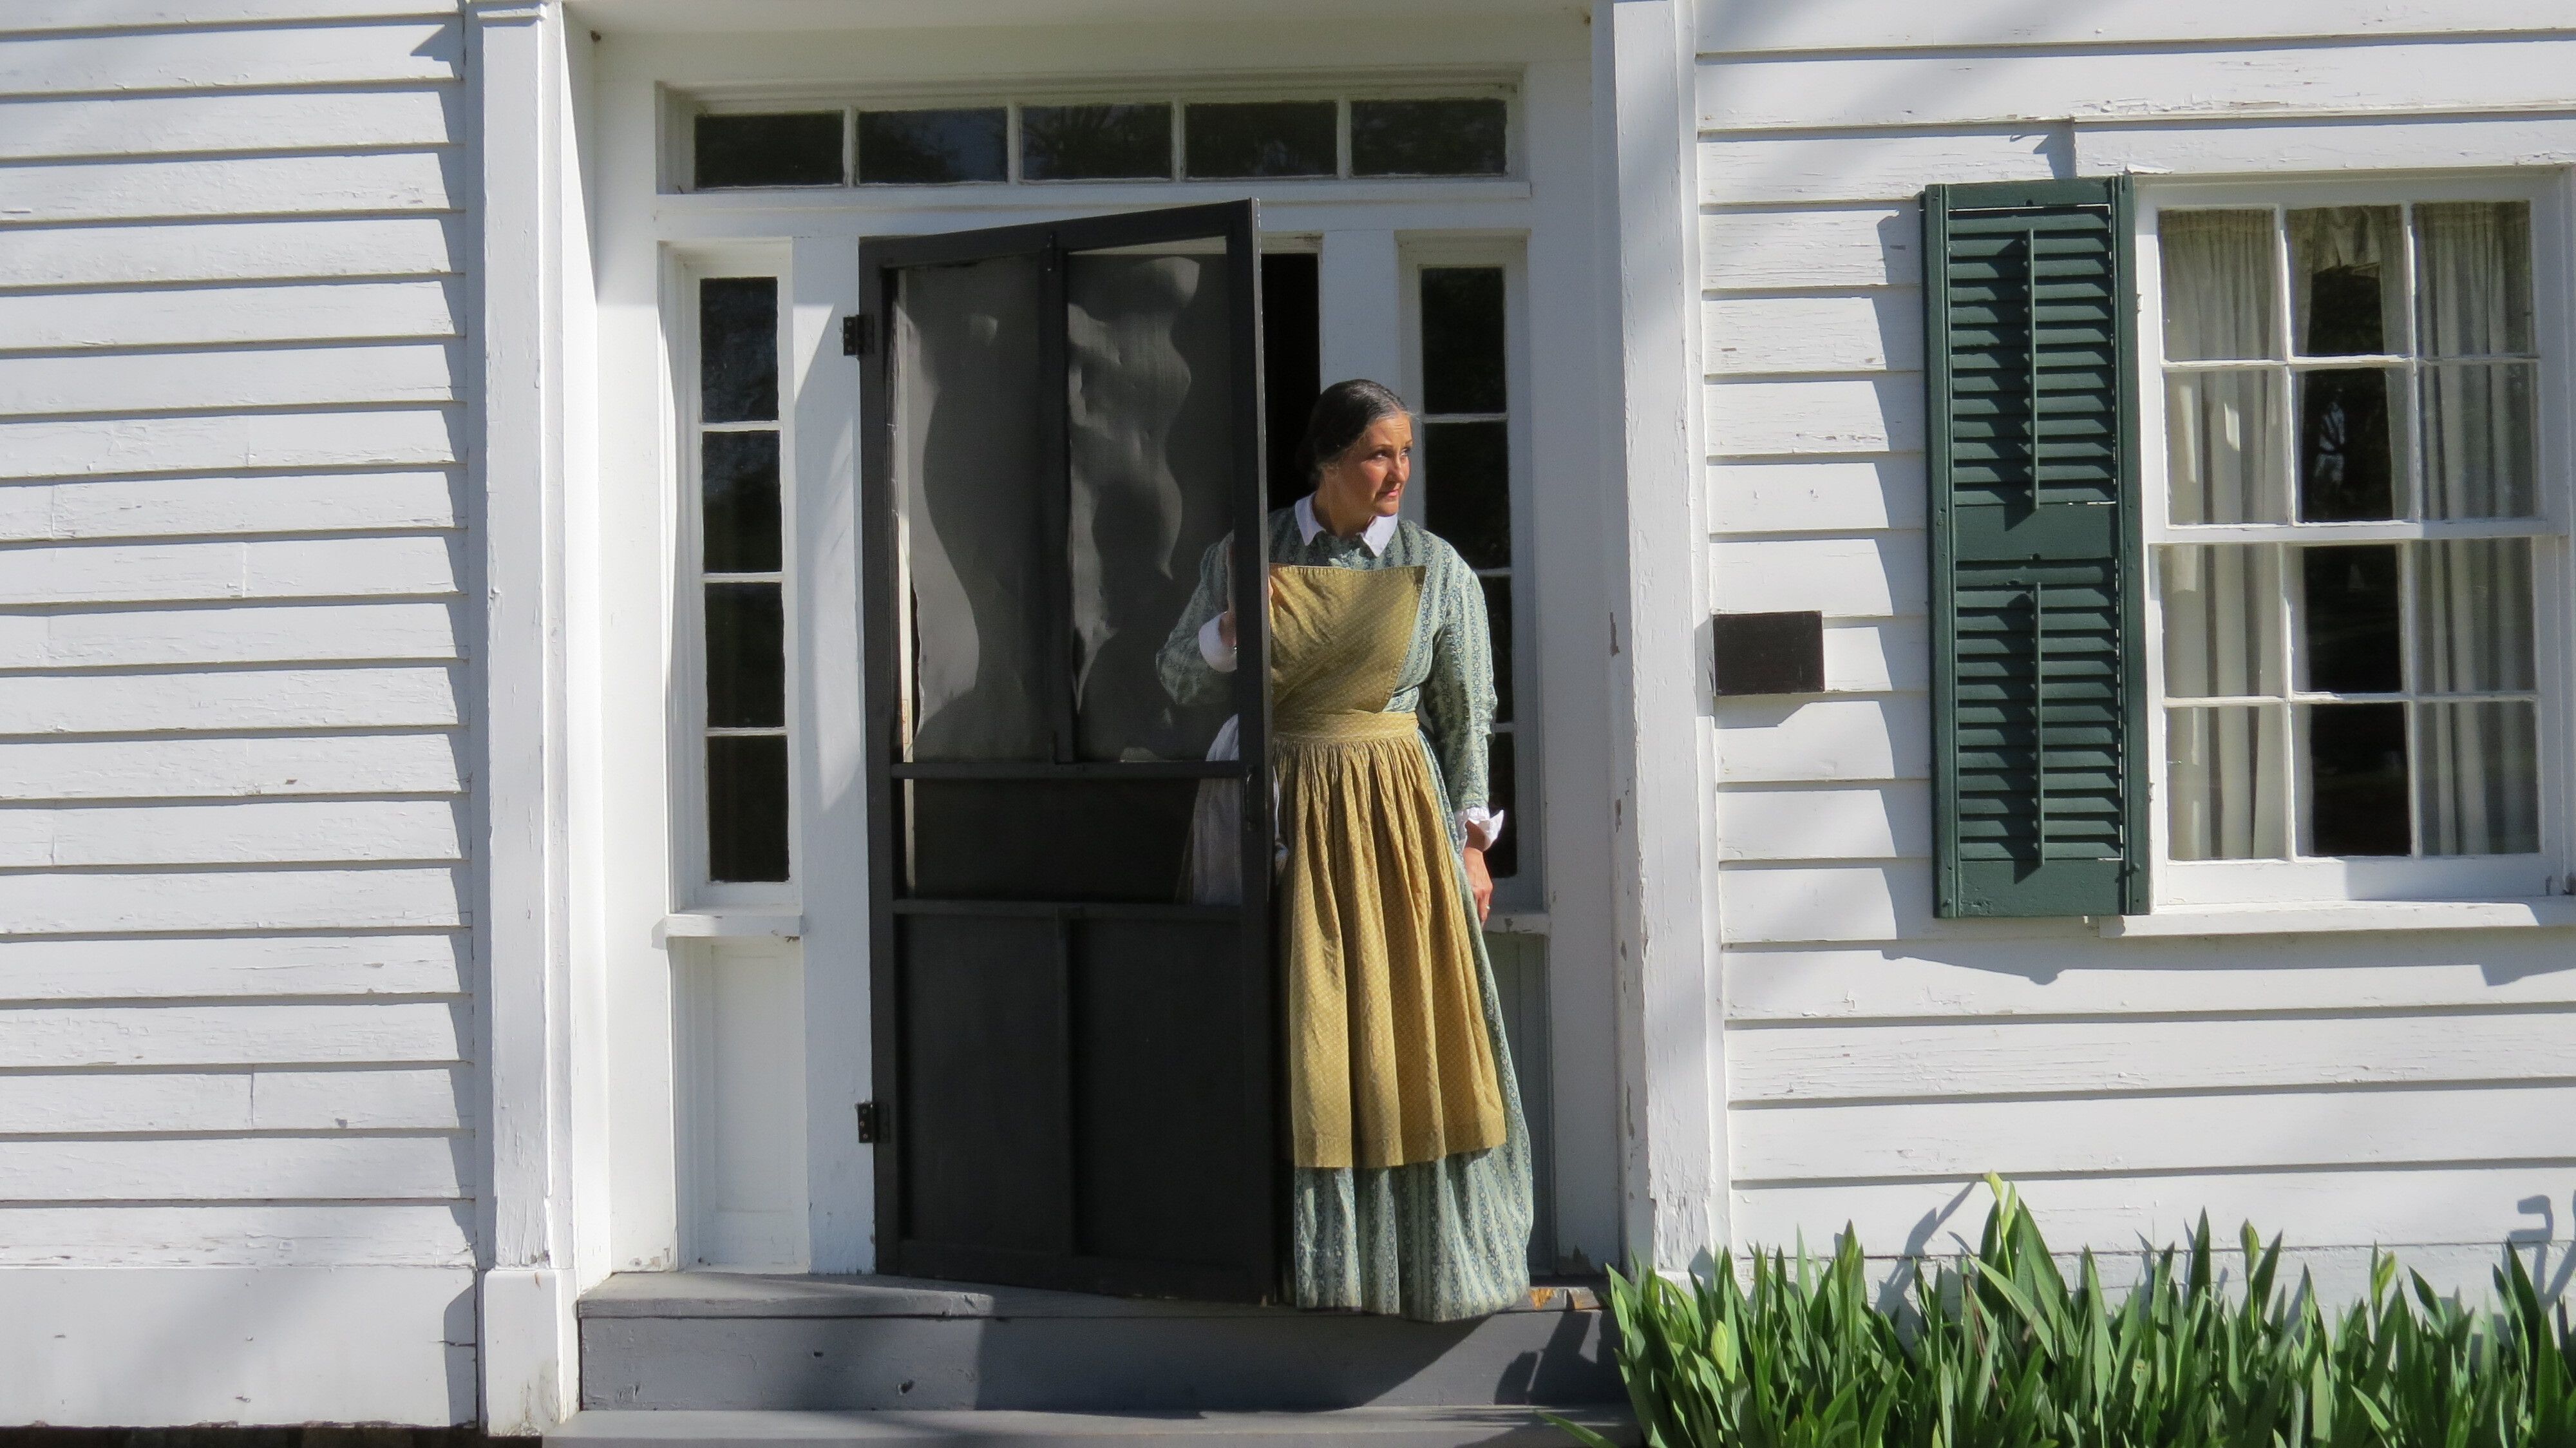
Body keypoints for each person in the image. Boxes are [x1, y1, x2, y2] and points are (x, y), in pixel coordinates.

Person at [1157, 378, 1532, 1322]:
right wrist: (1227, 634)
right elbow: (1170, 681)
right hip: (1270, 813)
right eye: (1377, 453)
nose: (1397, 472)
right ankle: (1275, 1263)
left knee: (1400, 1033)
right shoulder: (1248, 554)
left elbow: (1465, 717)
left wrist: (1474, 846)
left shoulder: (1435, 566)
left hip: (1395, 828)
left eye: (1406, 453)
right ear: (1324, 461)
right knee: (1285, 1033)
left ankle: (1416, 1268)